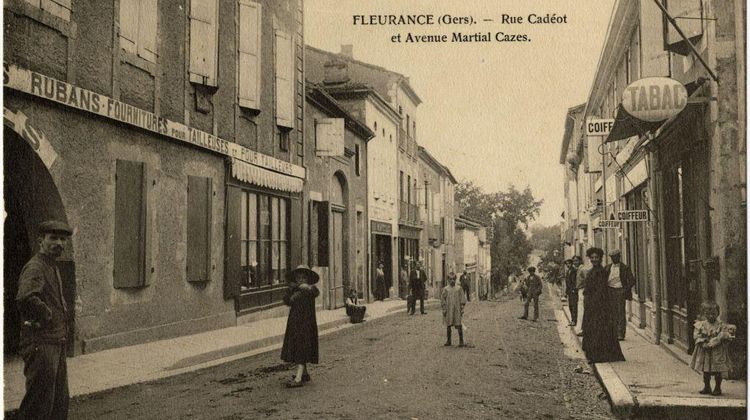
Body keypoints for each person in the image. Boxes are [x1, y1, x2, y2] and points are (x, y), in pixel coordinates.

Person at [16, 220, 73, 420]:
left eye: (63, 239)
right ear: (41, 241)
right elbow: (25, 297)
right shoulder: (36, 267)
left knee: (58, 402)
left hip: (55, 341)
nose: (59, 243)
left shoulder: (51, 266)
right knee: (39, 405)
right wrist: (47, 314)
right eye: (54, 238)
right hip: (41, 344)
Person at [581, 247, 625, 363]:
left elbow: (600, 290)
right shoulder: (592, 271)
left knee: (598, 329)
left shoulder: (601, 271)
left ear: (600, 258)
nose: (594, 259)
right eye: (592, 258)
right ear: (590, 258)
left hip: (599, 306)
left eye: (596, 257)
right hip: (591, 304)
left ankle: (597, 356)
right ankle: (593, 354)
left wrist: (594, 303)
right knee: (592, 329)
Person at [281, 265, 320, 388]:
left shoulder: (309, 290)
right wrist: (293, 290)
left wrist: (304, 288)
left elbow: (315, 292)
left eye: (303, 277)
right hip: (295, 323)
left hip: (305, 324)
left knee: (301, 349)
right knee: (299, 347)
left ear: (307, 279)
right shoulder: (295, 290)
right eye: (298, 277)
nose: (301, 279)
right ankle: (304, 374)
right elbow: (287, 300)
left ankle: (298, 378)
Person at [690, 301, 735, 396]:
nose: (711, 316)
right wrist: (702, 342)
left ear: (718, 313)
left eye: (713, 314)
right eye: (708, 314)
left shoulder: (721, 325)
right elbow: (696, 335)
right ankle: (707, 386)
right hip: (705, 351)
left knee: (718, 370)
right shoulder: (700, 325)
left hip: (717, 351)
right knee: (706, 370)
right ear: (704, 314)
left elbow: (726, 336)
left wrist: (721, 338)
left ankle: (718, 387)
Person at [605, 250, 635, 340]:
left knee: (620, 312)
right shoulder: (607, 267)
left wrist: (624, 290)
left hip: (619, 292)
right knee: (610, 312)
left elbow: (632, 280)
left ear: (619, 257)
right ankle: (612, 332)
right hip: (609, 291)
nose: (614, 258)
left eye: (616, 257)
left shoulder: (625, 268)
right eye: (612, 257)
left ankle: (620, 333)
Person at [441, 274, 467, 347]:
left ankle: (461, 341)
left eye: (453, 279)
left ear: (455, 280)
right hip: (449, 309)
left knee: (458, 324)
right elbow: (443, 299)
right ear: (448, 280)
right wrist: (444, 308)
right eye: (450, 279)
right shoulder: (446, 289)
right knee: (448, 325)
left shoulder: (459, 288)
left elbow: (462, 299)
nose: (452, 281)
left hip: (457, 309)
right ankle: (449, 341)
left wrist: (462, 308)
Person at [566, 257, 582, 327]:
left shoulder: (574, 270)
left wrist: (573, 289)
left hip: (573, 291)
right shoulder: (568, 271)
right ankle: (572, 319)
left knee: (574, 306)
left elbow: (575, 281)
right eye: (567, 264)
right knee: (570, 306)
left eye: (569, 263)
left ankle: (574, 320)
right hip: (569, 291)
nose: (568, 265)